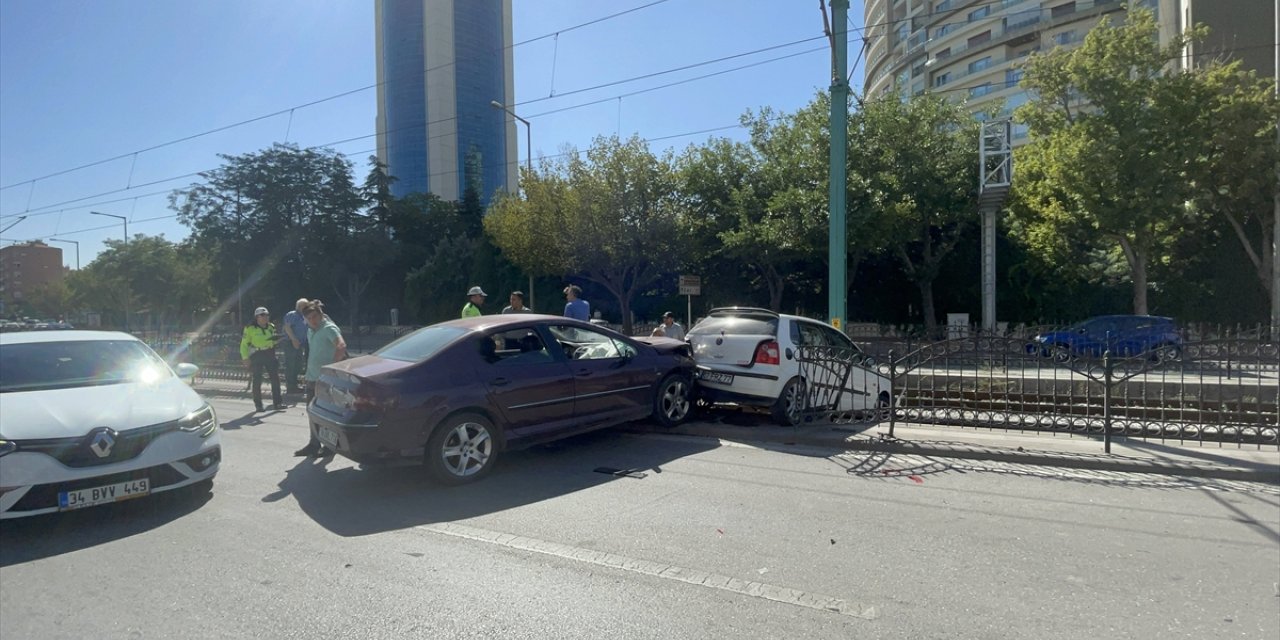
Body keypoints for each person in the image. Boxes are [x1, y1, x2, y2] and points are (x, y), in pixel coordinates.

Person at [294, 299, 348, 458]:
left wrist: (332, 370)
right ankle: (313, 444)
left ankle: (330, 446)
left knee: (326, 415)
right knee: (312, 412)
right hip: (312, 378)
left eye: (315, 317)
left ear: (321, 315)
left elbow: (341, 346)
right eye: (309, 318)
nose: (312, 321)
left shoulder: (328, 328)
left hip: (325, 380)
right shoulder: (311, 330)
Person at [240, 306, 283, 412]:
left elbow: (272, 340)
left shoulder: (271, 327)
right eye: (262, 315)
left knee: (275, 378)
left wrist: (277, 341)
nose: (265, 317)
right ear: (256, 317)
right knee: (257, 379)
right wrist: (245, 358)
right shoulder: (250, 328)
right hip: (257, 354)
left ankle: (278, 403)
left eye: (267, 315)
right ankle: (258, 405)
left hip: (269, 353)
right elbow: (244, 344)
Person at [281, 298, 309, 394]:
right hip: (290, 342)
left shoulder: (304, 317)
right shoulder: (292, 315)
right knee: (290, 365)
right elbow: (287, 327)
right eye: (305, 306)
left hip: (300, 343)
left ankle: (294, 384)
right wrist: (294, 339)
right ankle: (290, 386)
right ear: (299, 306)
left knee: (298, 365)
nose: (307, 308)